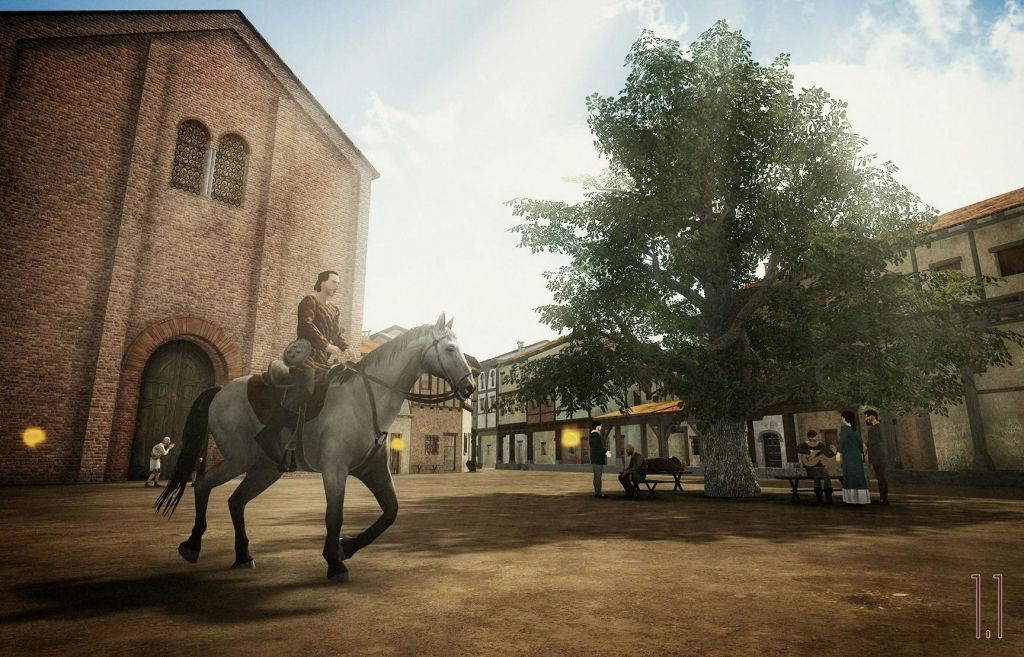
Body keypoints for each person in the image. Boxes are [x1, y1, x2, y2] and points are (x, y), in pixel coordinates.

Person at [254, 270, 355, 471]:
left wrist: (346, 348)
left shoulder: (334, 310)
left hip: (323, 361)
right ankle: (269, 434)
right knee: (306, 390)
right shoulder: (309, 301)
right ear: (322, 282)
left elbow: (336, 335)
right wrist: (327, 345)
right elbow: (306, 326)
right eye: (333, 282)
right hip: (305, 357)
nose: (337, 286)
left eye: (338, 283)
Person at [837, 410, 869, 505]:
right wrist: (861, 453)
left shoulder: (844, 429)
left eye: (842, 417)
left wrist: (838, 453)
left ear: (844, 418)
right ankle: (861, 499)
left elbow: (842, 442)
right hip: (857, 456)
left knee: (850, 476)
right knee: (858, 476)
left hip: (849, 456)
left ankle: (851, 499)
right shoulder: (856, 429)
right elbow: (860, 444)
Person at [796, 430, 835, 504]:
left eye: (815, 437)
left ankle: (829, 498)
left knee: (826, 475)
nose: (814, 439)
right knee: (817, 476)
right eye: (812, 438)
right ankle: (819, 499)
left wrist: (834, 453)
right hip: (809, 466)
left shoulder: (820, 445)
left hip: (820, 466)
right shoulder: (805, 444)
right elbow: (797, 449)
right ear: (809, 438)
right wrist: (809, 452)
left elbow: (828, 455)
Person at [864, 410, 890, 505]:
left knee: (881, 478)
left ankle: (884, 499)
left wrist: (864, 446)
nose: (866, 418)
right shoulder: (877, 427)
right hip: (878, 456)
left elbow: (873, 442)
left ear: (873, 416)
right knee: (880, 478)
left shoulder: (876, 428)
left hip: (878, 456)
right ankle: (883, 498)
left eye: (867, 416)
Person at [588, 421, 607, 498]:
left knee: (596, 476)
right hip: (598, 458)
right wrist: (606, 451)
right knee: (598, 476)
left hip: (595, 458)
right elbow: (598, 447)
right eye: (600, 426)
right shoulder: (595, 435)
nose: (601, 427)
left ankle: (597, 492)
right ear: (597, 426)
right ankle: (598, 493)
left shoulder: (592, 435)